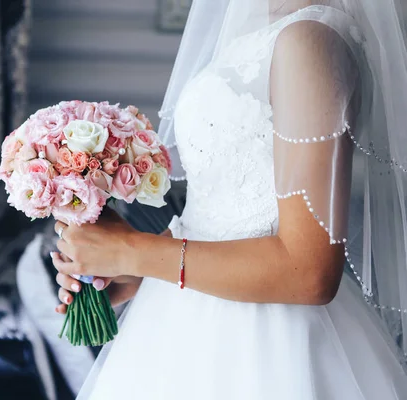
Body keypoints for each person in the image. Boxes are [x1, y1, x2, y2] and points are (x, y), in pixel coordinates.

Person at [52, 1, 407, 399]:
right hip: (189, 319)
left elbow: (308, 272)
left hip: (267, 347)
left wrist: (133, 251)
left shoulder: (309, 41)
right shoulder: (263, 32)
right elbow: (224, 215)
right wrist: (138, 268)